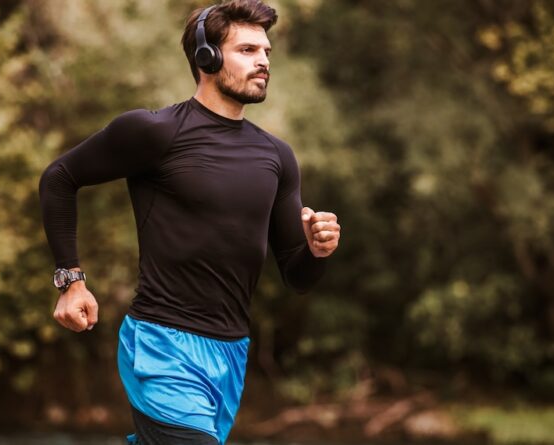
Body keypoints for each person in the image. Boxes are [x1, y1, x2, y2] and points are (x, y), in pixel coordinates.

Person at [38, 1, 341, 443]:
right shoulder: (155, 132)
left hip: (231, 354)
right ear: (208, 58)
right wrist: (71, 281)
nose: (263, 62)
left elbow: (298, 275)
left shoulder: (277, 157)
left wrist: (317, 250)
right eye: (248, 50)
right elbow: (59, 178)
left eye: (267, 52)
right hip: (162, 345)